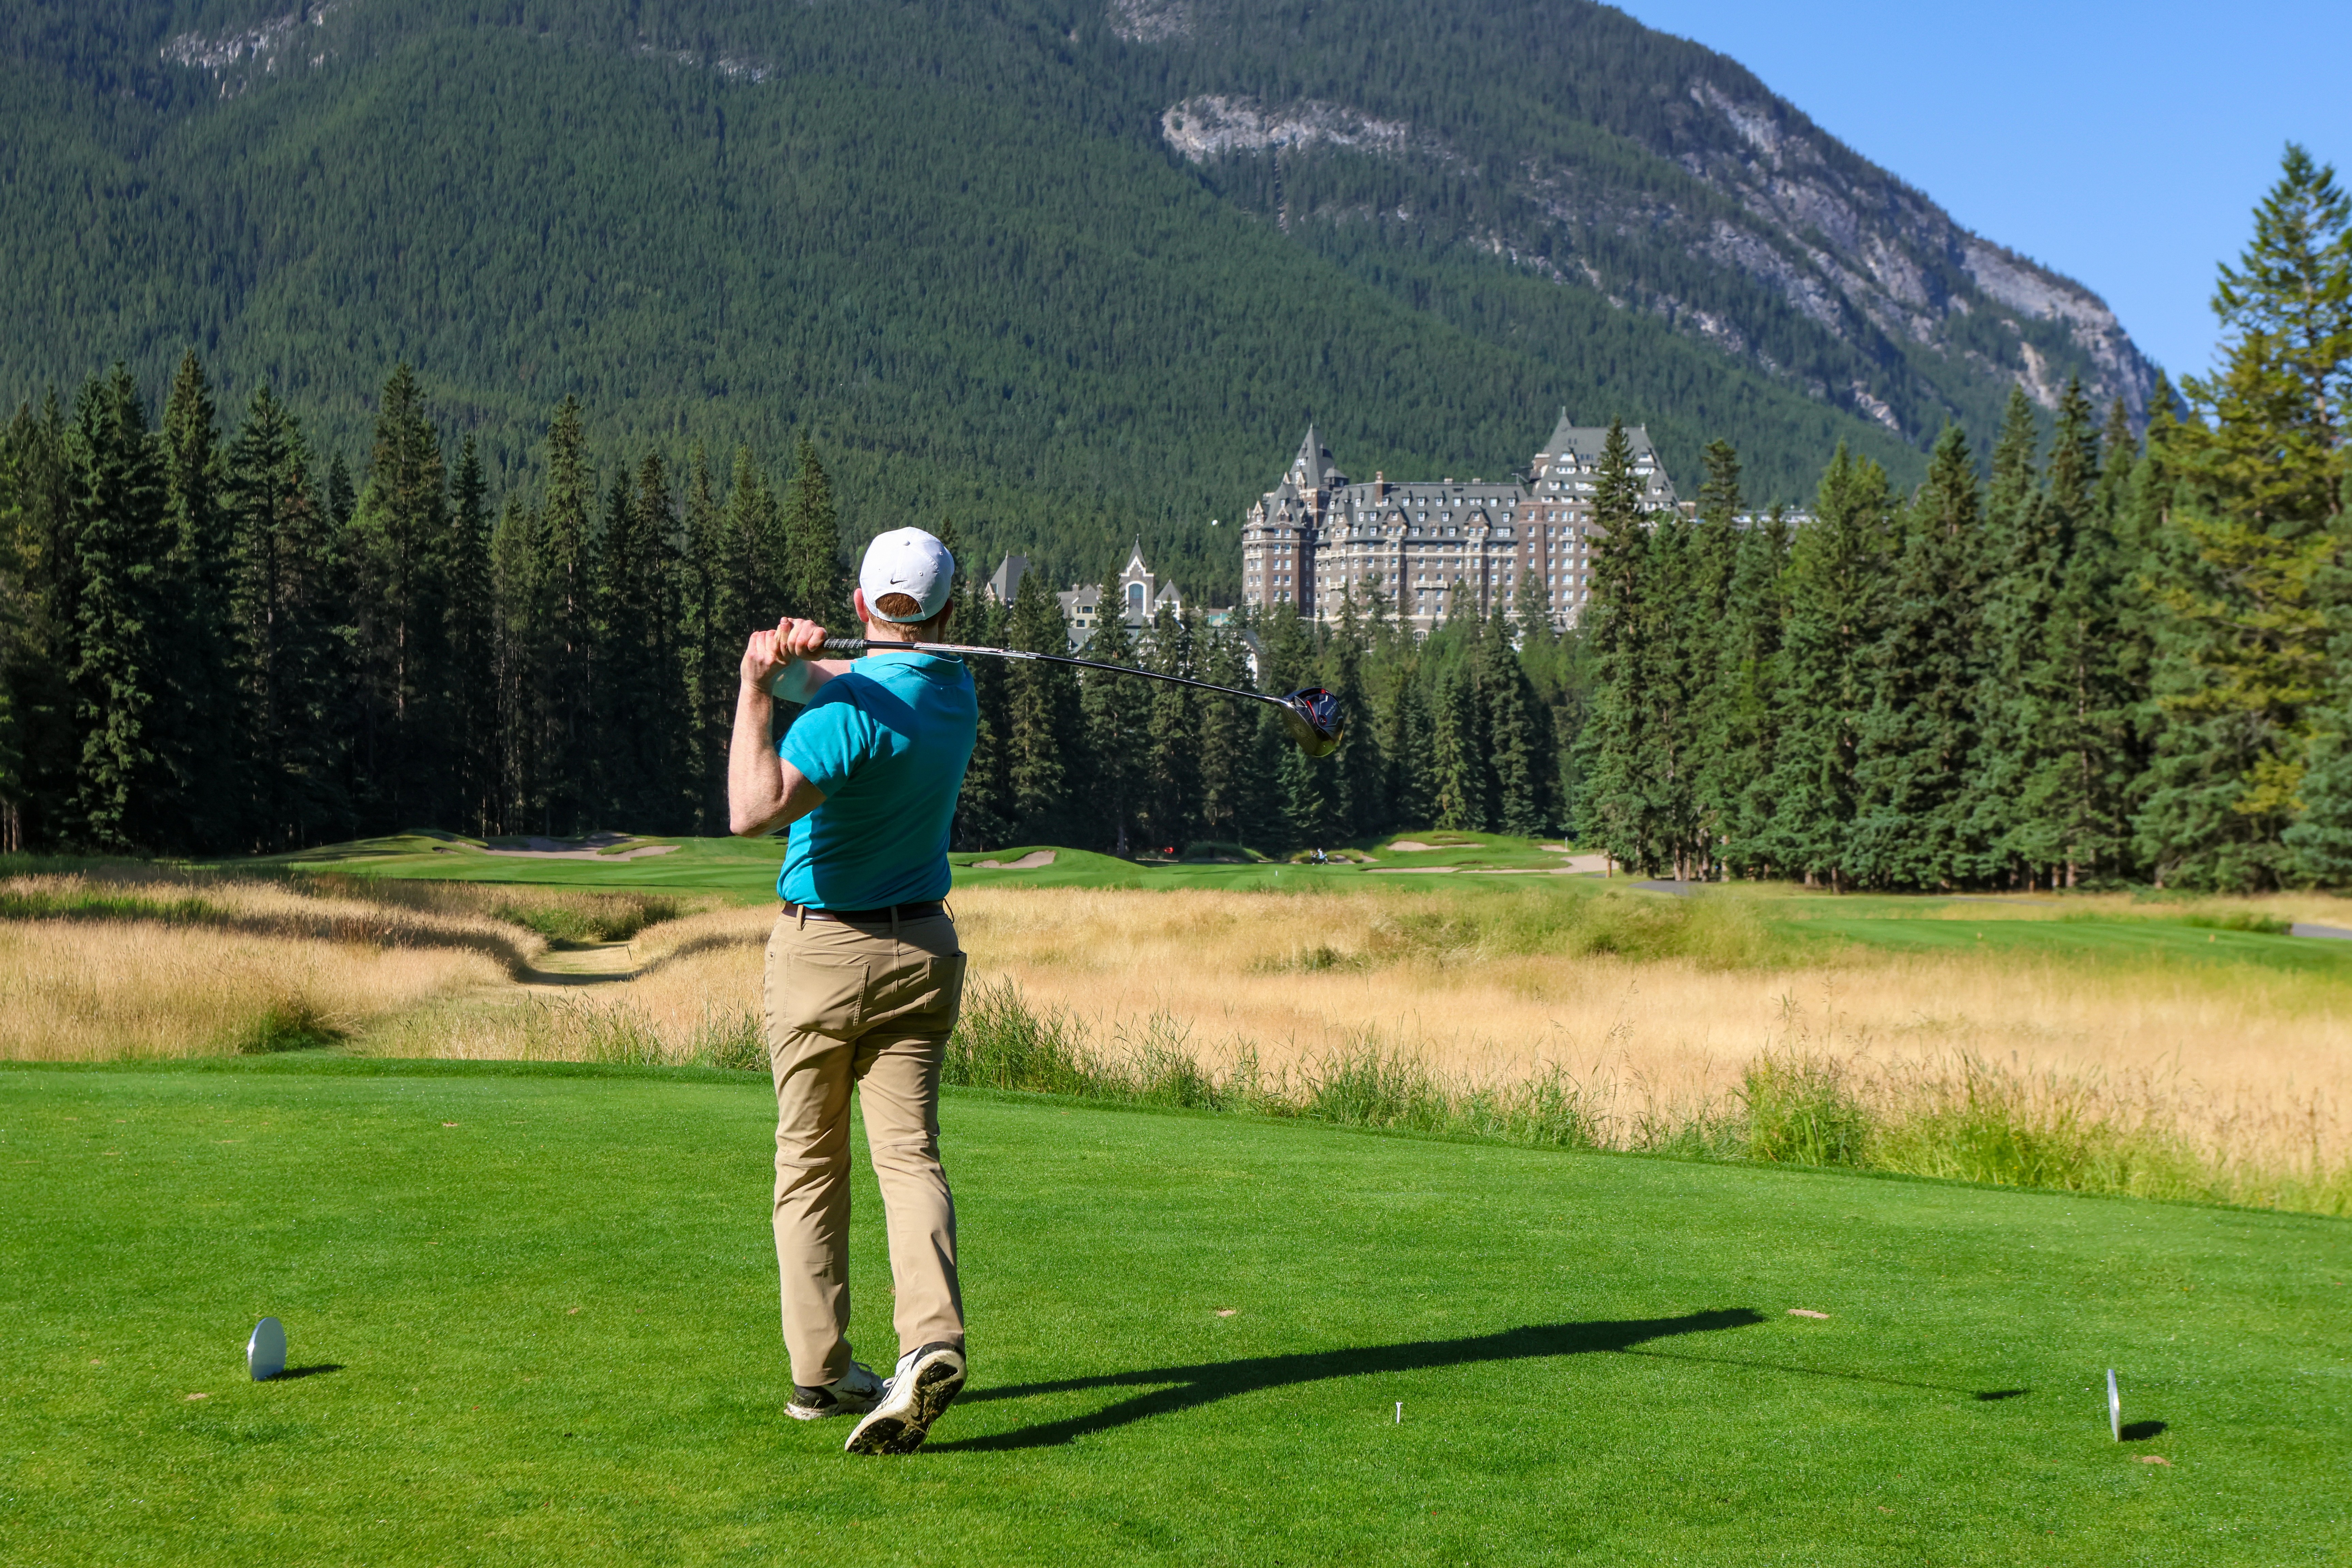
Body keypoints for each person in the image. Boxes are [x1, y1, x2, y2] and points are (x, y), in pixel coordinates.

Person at [728, 527, 978, 1456]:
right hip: (923, 950)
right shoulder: (954, 690)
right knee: (909, 1158)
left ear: (864, 600)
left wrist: (758, 688)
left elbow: (750, 808)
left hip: (822, 956)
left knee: (810, 1169)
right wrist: (802, 664)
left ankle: (821, 1372)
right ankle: (931, 1340)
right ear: (949, 612)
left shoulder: (845, 720)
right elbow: (862, 682)